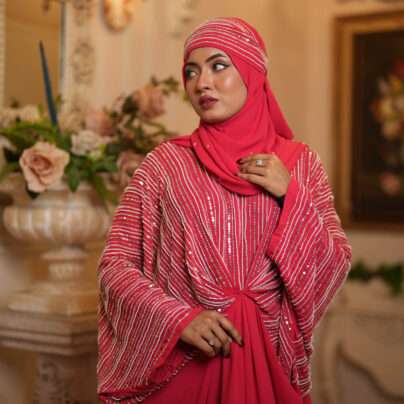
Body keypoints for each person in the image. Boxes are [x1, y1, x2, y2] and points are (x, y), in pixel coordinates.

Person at [97, 17, 352, 404]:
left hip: (266, 361)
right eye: (191, 71)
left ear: (252, 72)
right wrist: (176, 319)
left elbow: (335, 261)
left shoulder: (300, 165)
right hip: (183, 366)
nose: (202, 83)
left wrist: (291, 196)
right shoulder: (164, 165)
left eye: (219, 66)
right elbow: (115, 265)